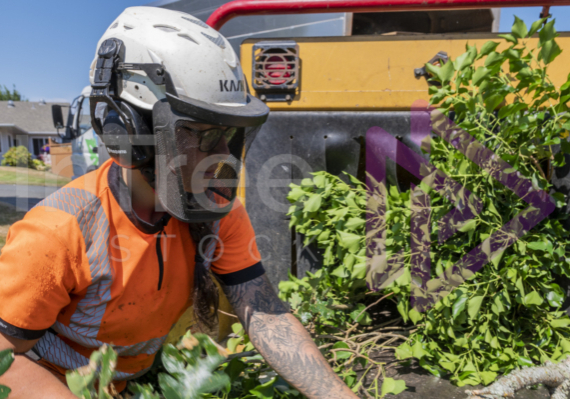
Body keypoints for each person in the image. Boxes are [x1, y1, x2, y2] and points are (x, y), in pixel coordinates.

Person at [0, 7, 358, 399]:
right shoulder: (58, 231)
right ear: (127, 133)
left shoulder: (217, 211)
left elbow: (266, 314)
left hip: (131, 385)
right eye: (200, 133)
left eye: (227, 134)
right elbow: (3, 356)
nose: (222, 154)